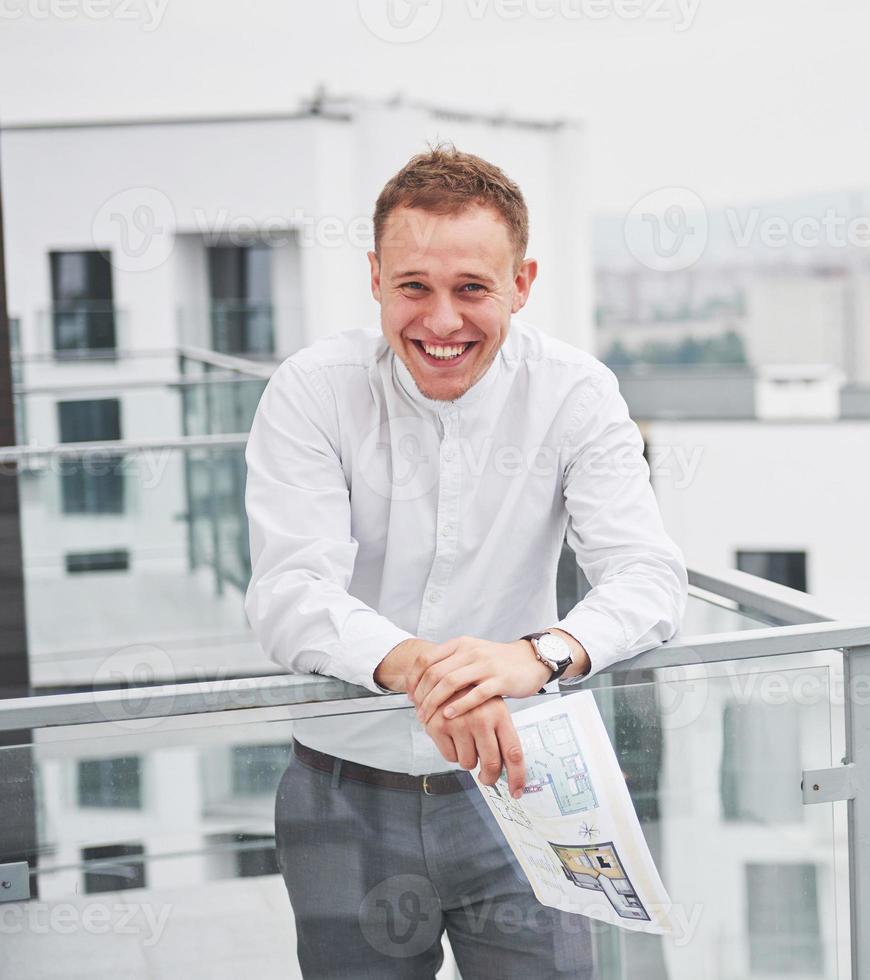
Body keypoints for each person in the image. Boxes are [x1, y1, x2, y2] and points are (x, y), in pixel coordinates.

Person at [243, 144, 687, 978]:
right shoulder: (310, 390)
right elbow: (288, 592)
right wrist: (420, 668)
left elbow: (649, 577)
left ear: (521, 284)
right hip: (345, 792)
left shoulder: (575, 391)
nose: (441, 321)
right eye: (414, 286)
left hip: (524, 784)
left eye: (472, 289)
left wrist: (535, 657)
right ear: (375, 277)